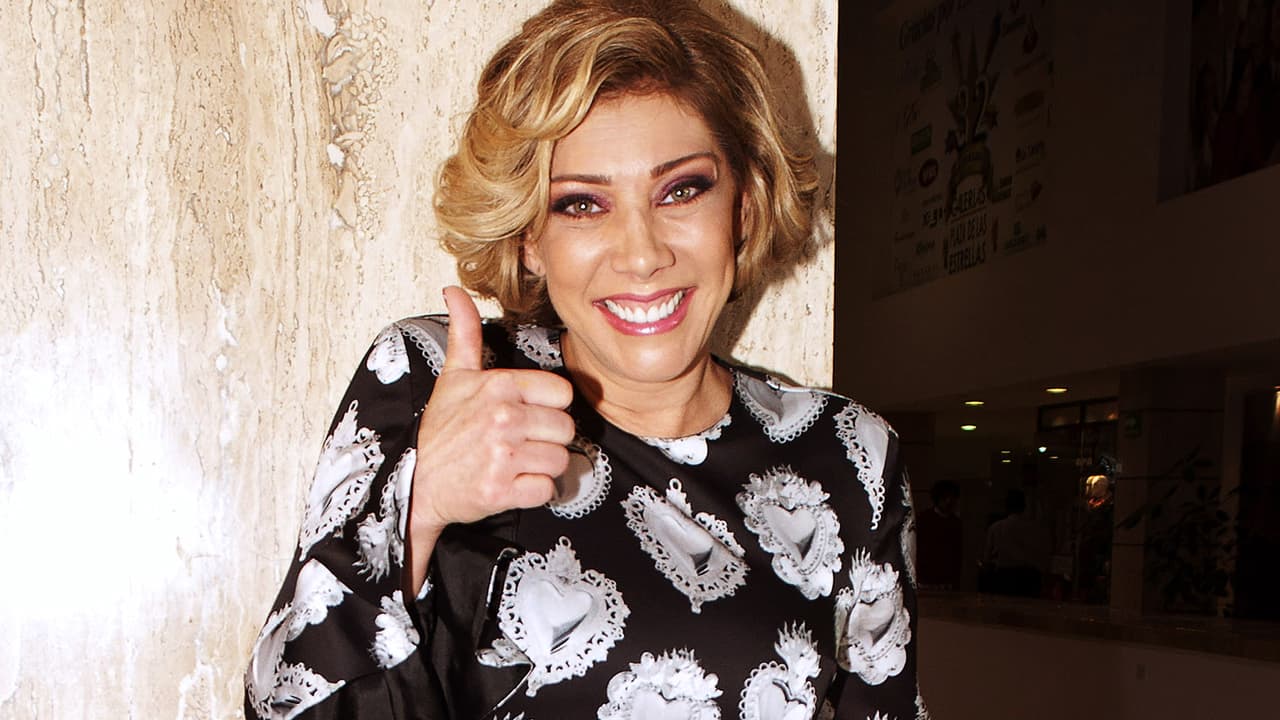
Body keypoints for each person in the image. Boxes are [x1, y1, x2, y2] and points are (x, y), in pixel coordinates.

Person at [245, 2, 922, 718]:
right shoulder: (437, 381)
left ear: (744, 207)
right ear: (529, 238)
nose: (642, 253)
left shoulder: (849, 456)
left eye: (681, 190)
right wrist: (418, 512)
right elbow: (286, 704)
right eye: (581, 205)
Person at [914, 480, 963, 590]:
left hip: (947, 580)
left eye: (952, 498)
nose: (949, 501)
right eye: (945, 498)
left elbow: (957, 553)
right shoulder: (923, 519)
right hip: (925, 578)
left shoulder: (956, 523)